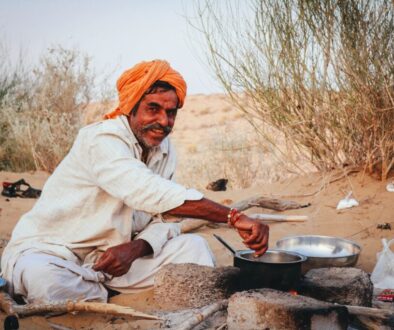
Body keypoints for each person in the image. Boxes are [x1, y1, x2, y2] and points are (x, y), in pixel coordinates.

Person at [0, 60, 269, 303]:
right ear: (131, 107)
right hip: (54, 255)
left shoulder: (164, 150)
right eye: (153, 109)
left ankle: (100, 292)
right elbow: (150, 193)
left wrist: (135, 248)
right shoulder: (101, 140)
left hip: (114, 263)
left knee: (193, 248)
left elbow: (166, 221)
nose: (163, 121)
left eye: (171, 112)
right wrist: (233, 216)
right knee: (45, 281)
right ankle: (101, 294)